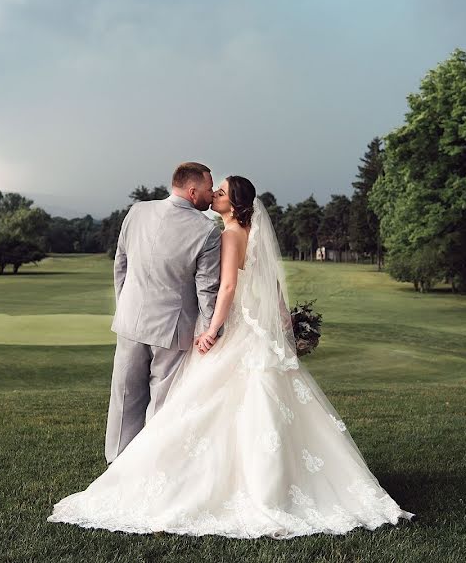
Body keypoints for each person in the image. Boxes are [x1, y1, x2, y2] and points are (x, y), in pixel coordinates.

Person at [48, 175, 414, 539]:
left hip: (236, 329)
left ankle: (160, 472)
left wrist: (211, 330)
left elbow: (225, 287)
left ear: (234, 204)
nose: (214, 196)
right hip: (257, 333)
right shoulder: (249, 234)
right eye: (212, 189)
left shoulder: (227, 234)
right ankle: (280, 482)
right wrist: (285, 324)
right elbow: (271, 286)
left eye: (220, 192)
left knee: (196, 404)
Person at [104, 161, 220, 464]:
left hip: (130, 322)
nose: (212, 194)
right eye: (209, 188)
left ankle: (117, 464)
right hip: (172, 330)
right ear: (193, 191)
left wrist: (126, 305)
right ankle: (152, 467)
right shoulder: (207, 230)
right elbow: (207, 290)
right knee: (162, 403)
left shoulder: (137, 211)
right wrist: (209, 332)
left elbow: (121, 263)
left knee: (124, 398)